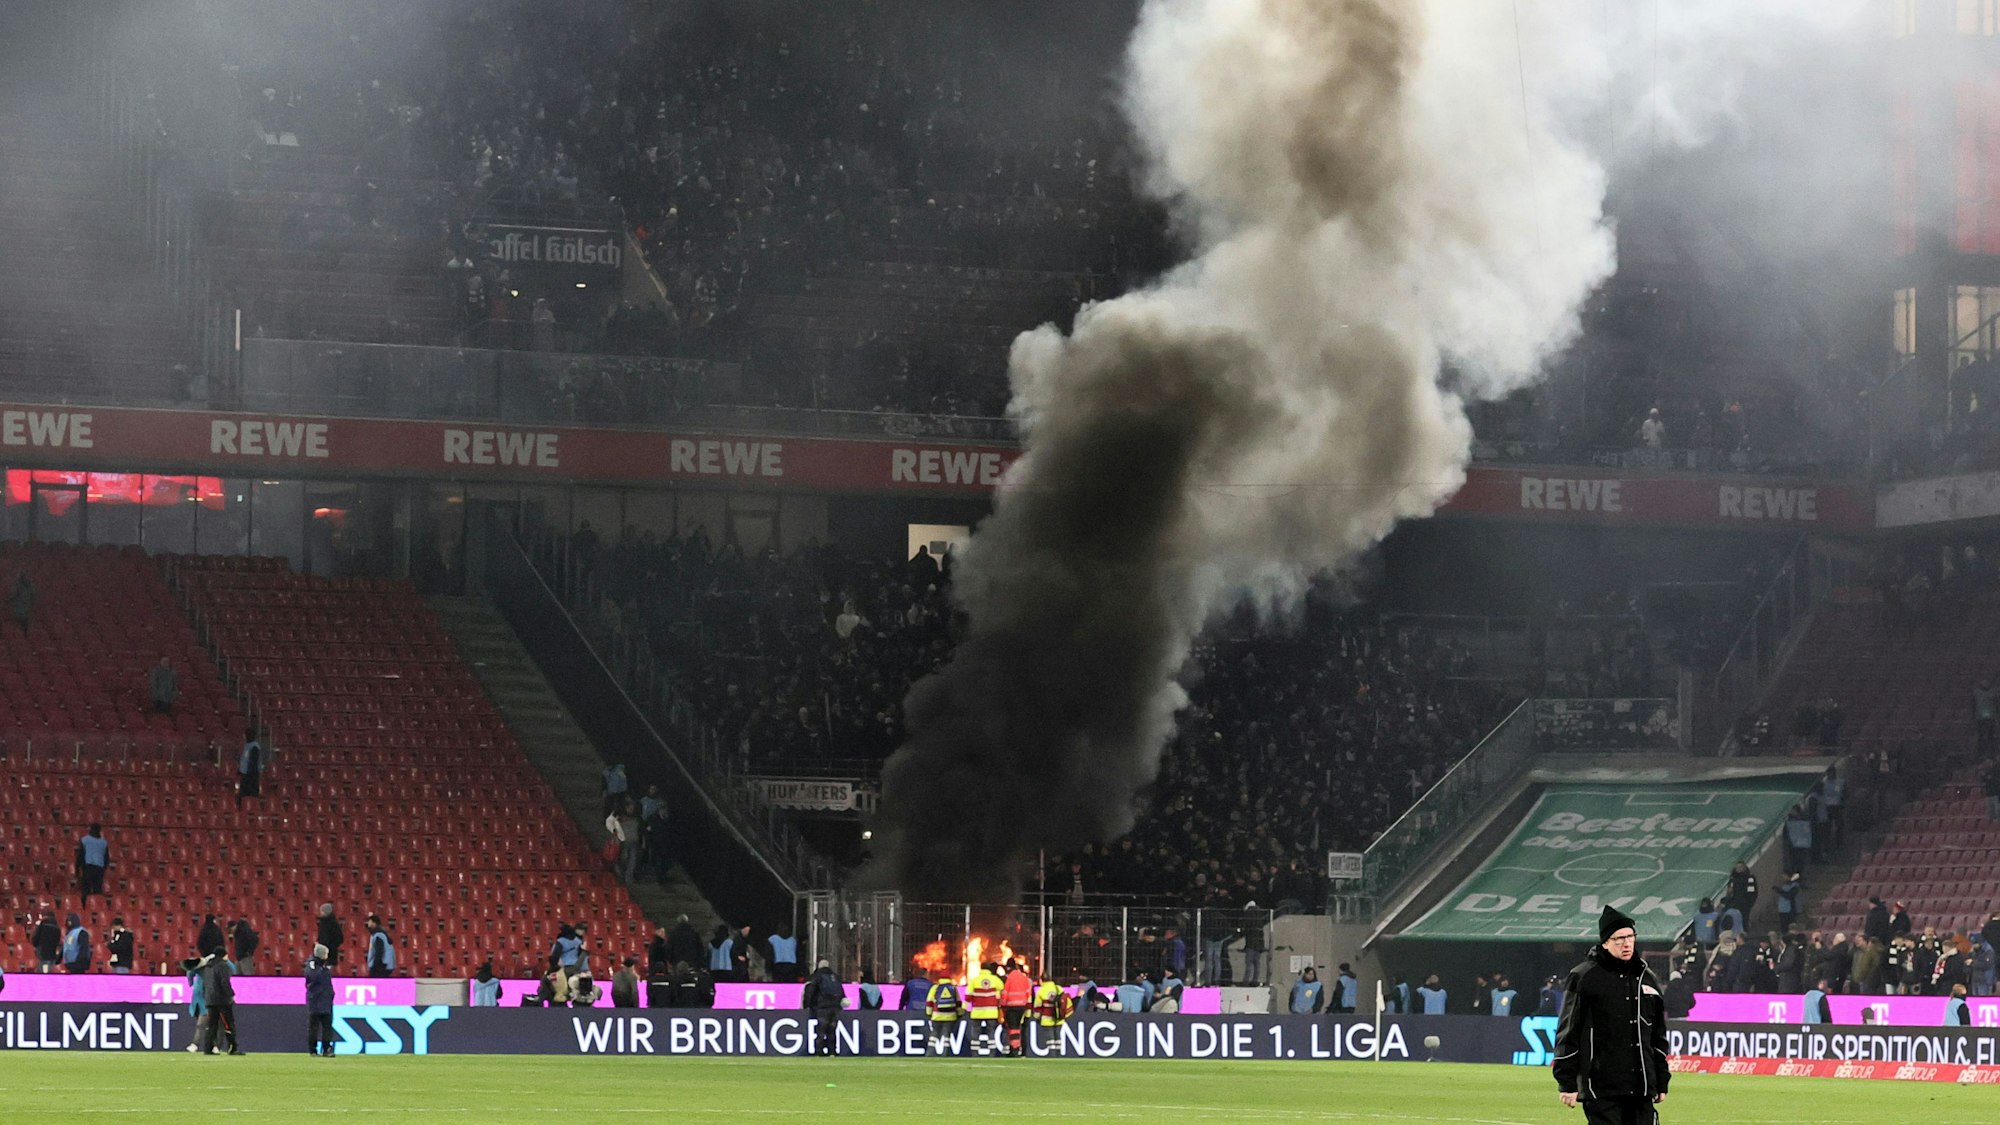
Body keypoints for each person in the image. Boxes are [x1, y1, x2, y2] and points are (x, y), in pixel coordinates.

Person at [1554, 907, 1668, 1125]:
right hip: (1601, 1089)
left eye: (1630, 937)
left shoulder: (1647, 977)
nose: (1626, 944)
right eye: (1619, 939)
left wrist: (1661, 1079)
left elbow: (1657, 1035)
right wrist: (1566, 1082)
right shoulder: (1584, 976)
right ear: (1605, 942)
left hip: (1641, 1087)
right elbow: (1569, 1031)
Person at [198, 949, 241, 1055]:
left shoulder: (207, 967)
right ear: (223, 955)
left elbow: (205, 984)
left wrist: (207, 997)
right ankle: (232, 1047)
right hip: (222, 1000)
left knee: (211, 1025)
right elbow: (224, 982)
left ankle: (208, 1048)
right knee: (228, 1024)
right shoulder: (223, 966)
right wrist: (231, 995)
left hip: (210, 1000)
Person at [802, 958, 844, 1057]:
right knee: (832, 1030)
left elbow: (811, 991)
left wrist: (808, 1004)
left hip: (823, 1006)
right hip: (835, 1007)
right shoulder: (835, 977)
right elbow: (841, 992)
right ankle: (832, 1051)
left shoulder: (818, 976)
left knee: (821, 1030)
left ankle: (819, 1051)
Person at [966, 961, 1006, 1056]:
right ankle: (992, 1053)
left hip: (977, 1012)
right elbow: (1002, 990)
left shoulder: (974, 980)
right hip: (991, 1012)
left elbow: (968, 997)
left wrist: (965, 1008)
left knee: (975, 1033)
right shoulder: (995, 979)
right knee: (991, 1033)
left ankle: (975, 1053)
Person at [1031, 974, 1074, 1054]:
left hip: (1047, 1020)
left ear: (1041, 980)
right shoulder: (1058, 988)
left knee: (1050, 1040)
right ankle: (1058, 1055)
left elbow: (1037, 1007)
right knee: (1058, 1039)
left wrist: (1037, 1017)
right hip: (1059, 1018)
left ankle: (1052, 1055)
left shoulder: (1041, 991)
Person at [305, 943, 335, 1056]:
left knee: (327, 1027)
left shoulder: (323, 966)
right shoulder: (313, 965)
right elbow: (313, 977)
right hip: (315, 1000)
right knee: (314, 1027)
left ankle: (327, 1049)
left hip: (325, 1000)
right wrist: (323, 970)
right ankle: (313, 1050)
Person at [1001, 959, 1034, 1055]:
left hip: (1011, 1006)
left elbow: (1005, 993)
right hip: (1022, 1007)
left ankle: (1015, 1049)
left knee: (1013, 1028)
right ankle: (1015, 1048)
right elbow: (1028, 993)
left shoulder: (1009, 978)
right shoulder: (1024, 977)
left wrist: (1002, 1006)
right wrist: (1028, 1007)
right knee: (1018, 1028)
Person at [926, 973, 963, 1055]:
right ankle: (945, 1053)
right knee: (947, 1035)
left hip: (937, 1016)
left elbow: (929, 1002)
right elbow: (958, 1002)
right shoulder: (953, 988)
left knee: (934, 1034)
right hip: (950, 1016)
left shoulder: (935, 988)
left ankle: (930, 1053)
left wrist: (929, 1013)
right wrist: (960, 1013)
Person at [75, 823, 110, 902]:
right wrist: (103, 869)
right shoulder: (104, 842)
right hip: (99, 869)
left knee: (85, 890)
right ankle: (96, 908)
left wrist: (77, 869)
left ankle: (85, 908)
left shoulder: (85, 840)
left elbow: (80, 856)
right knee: (97, 890)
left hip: (88, 868)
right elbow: (107, 858)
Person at [238, 730, 265, 806]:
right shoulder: (247, 746)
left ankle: (251, 807)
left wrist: (249, 774)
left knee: (251, 794)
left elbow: (253, 762)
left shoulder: (254, 747)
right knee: (243, 794)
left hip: (251, 775)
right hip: (245, 774)